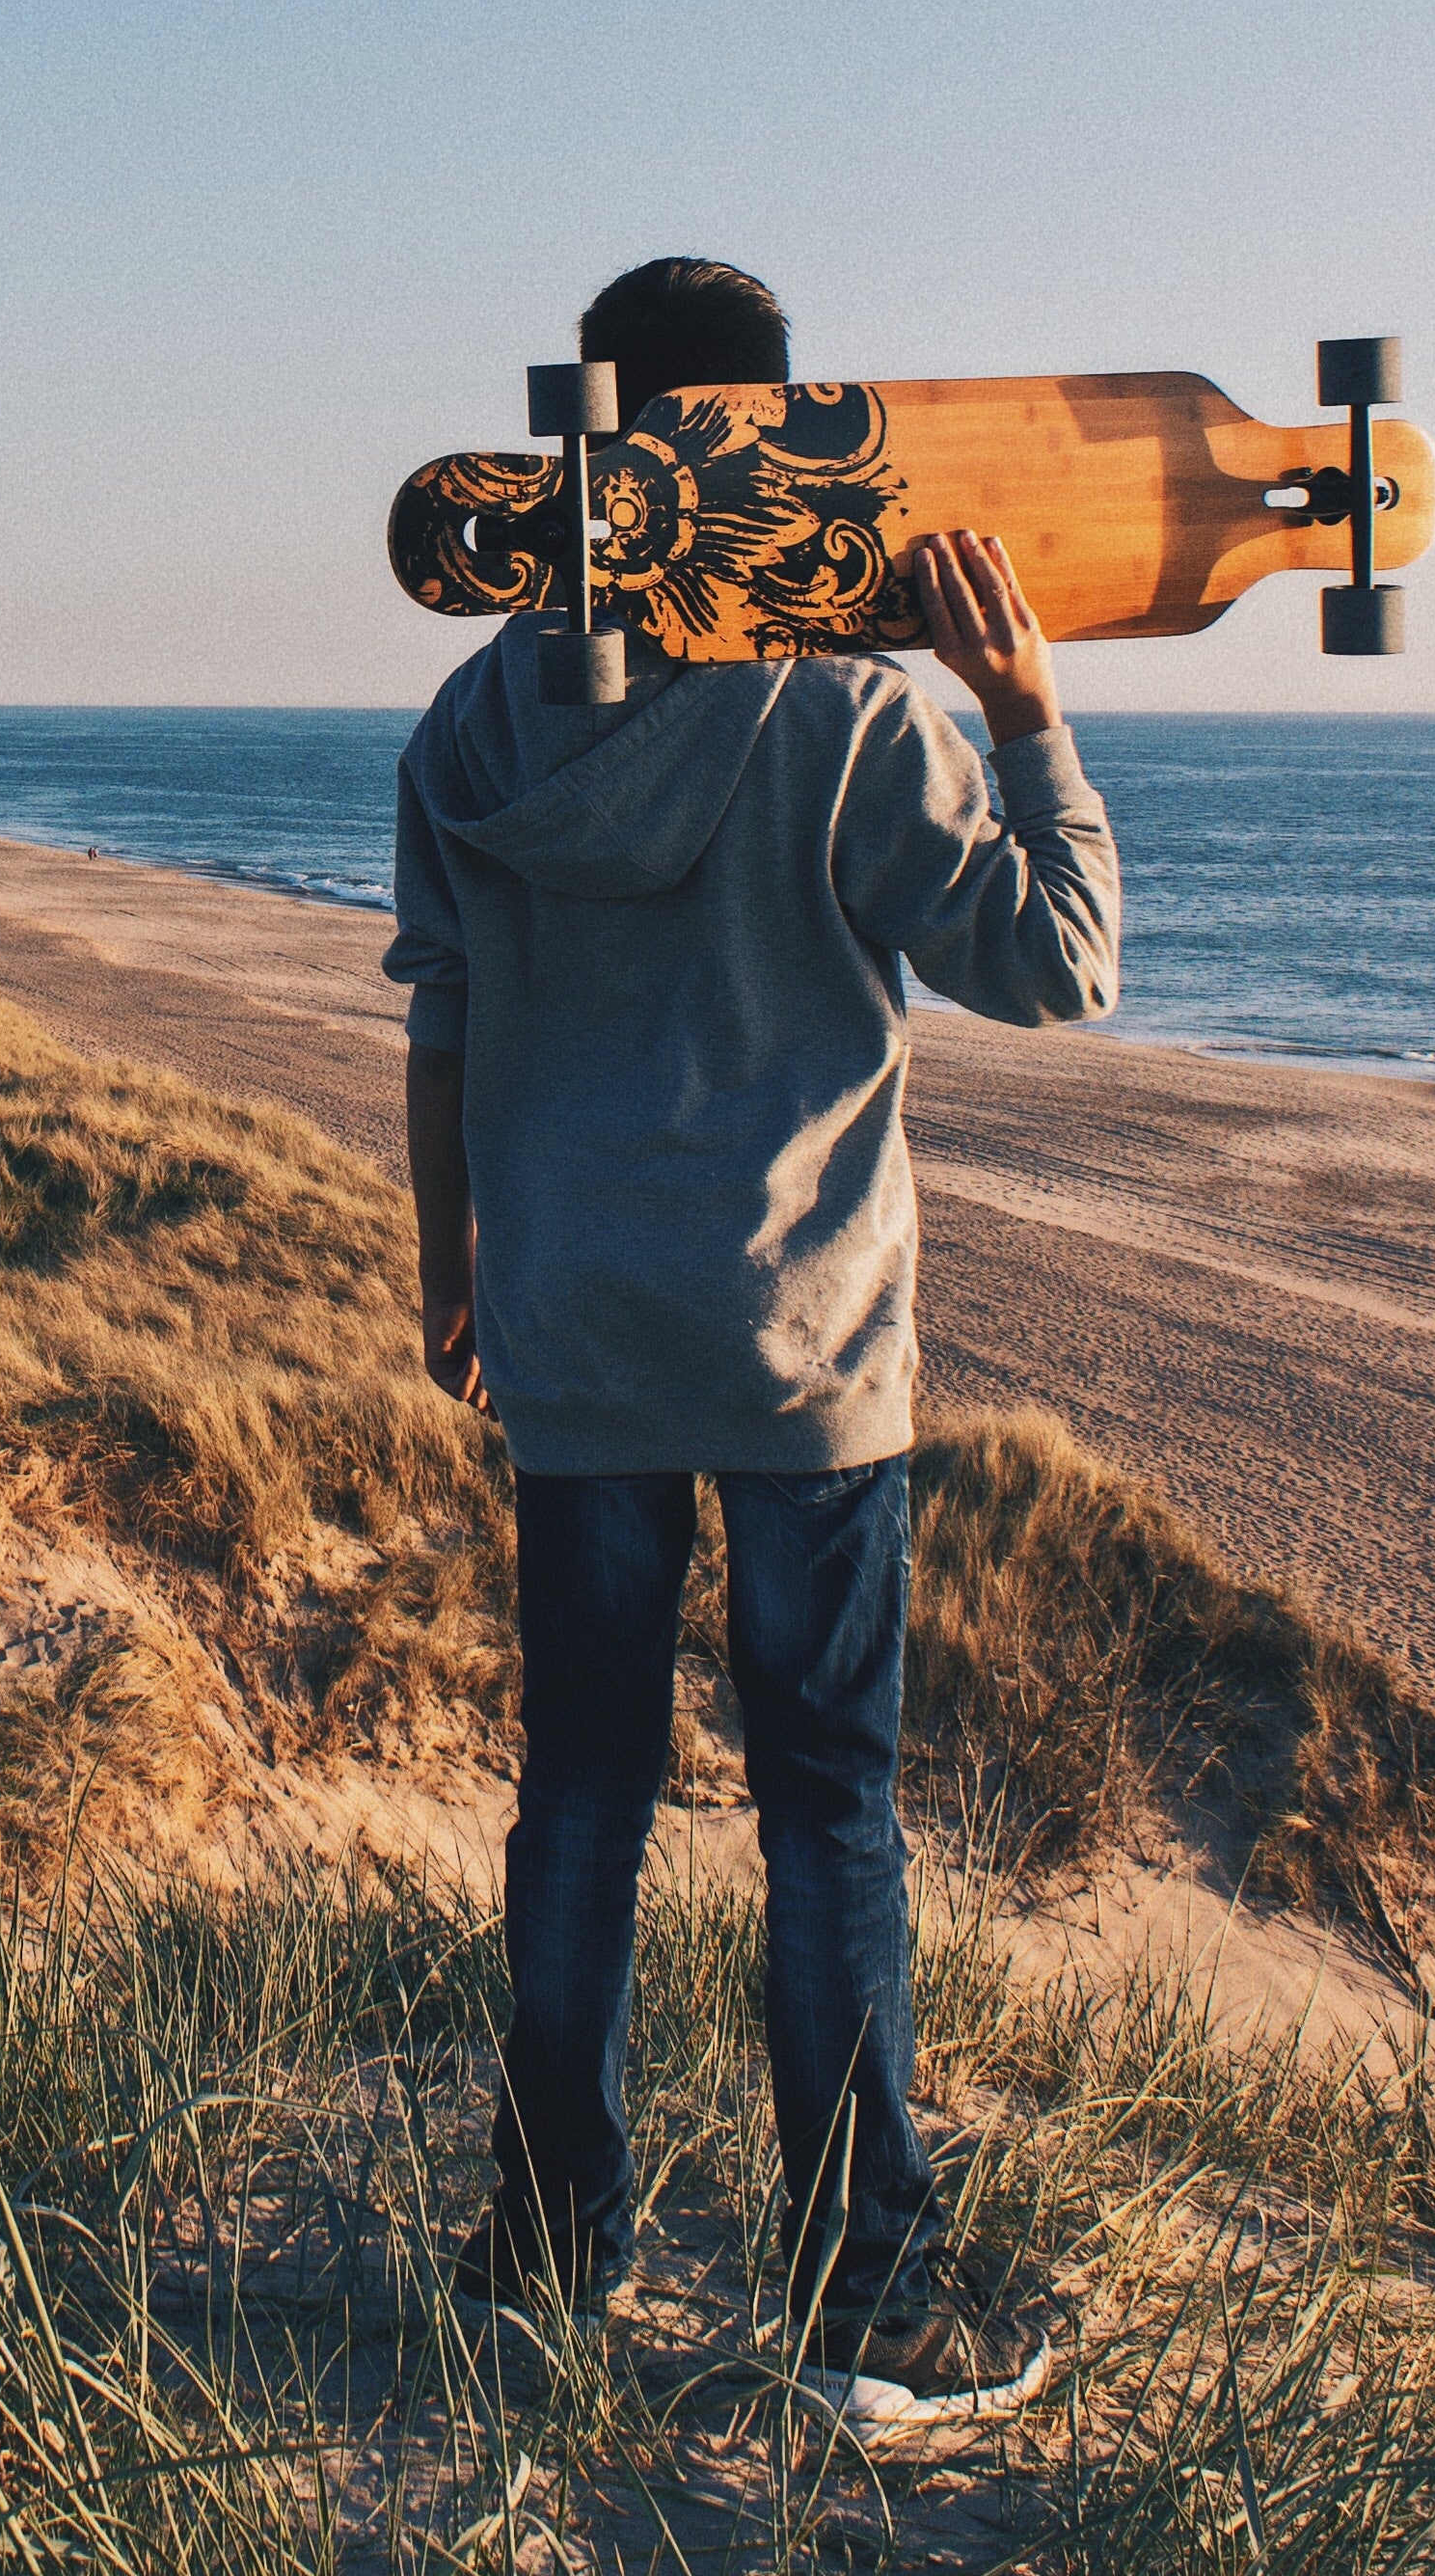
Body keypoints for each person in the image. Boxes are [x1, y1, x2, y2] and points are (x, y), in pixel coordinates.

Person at [385, 255, 1122, 2428]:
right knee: (828, 1814)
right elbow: (1064, 963)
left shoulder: (476, 723)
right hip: (802, 1350)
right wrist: (1029, 711)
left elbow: (444, 1020)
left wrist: (454, 1262)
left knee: (584, 1799)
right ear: (767, 445)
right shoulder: (853, 714)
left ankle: (543, 2263)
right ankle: (867, 2301)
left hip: (573, 1335)